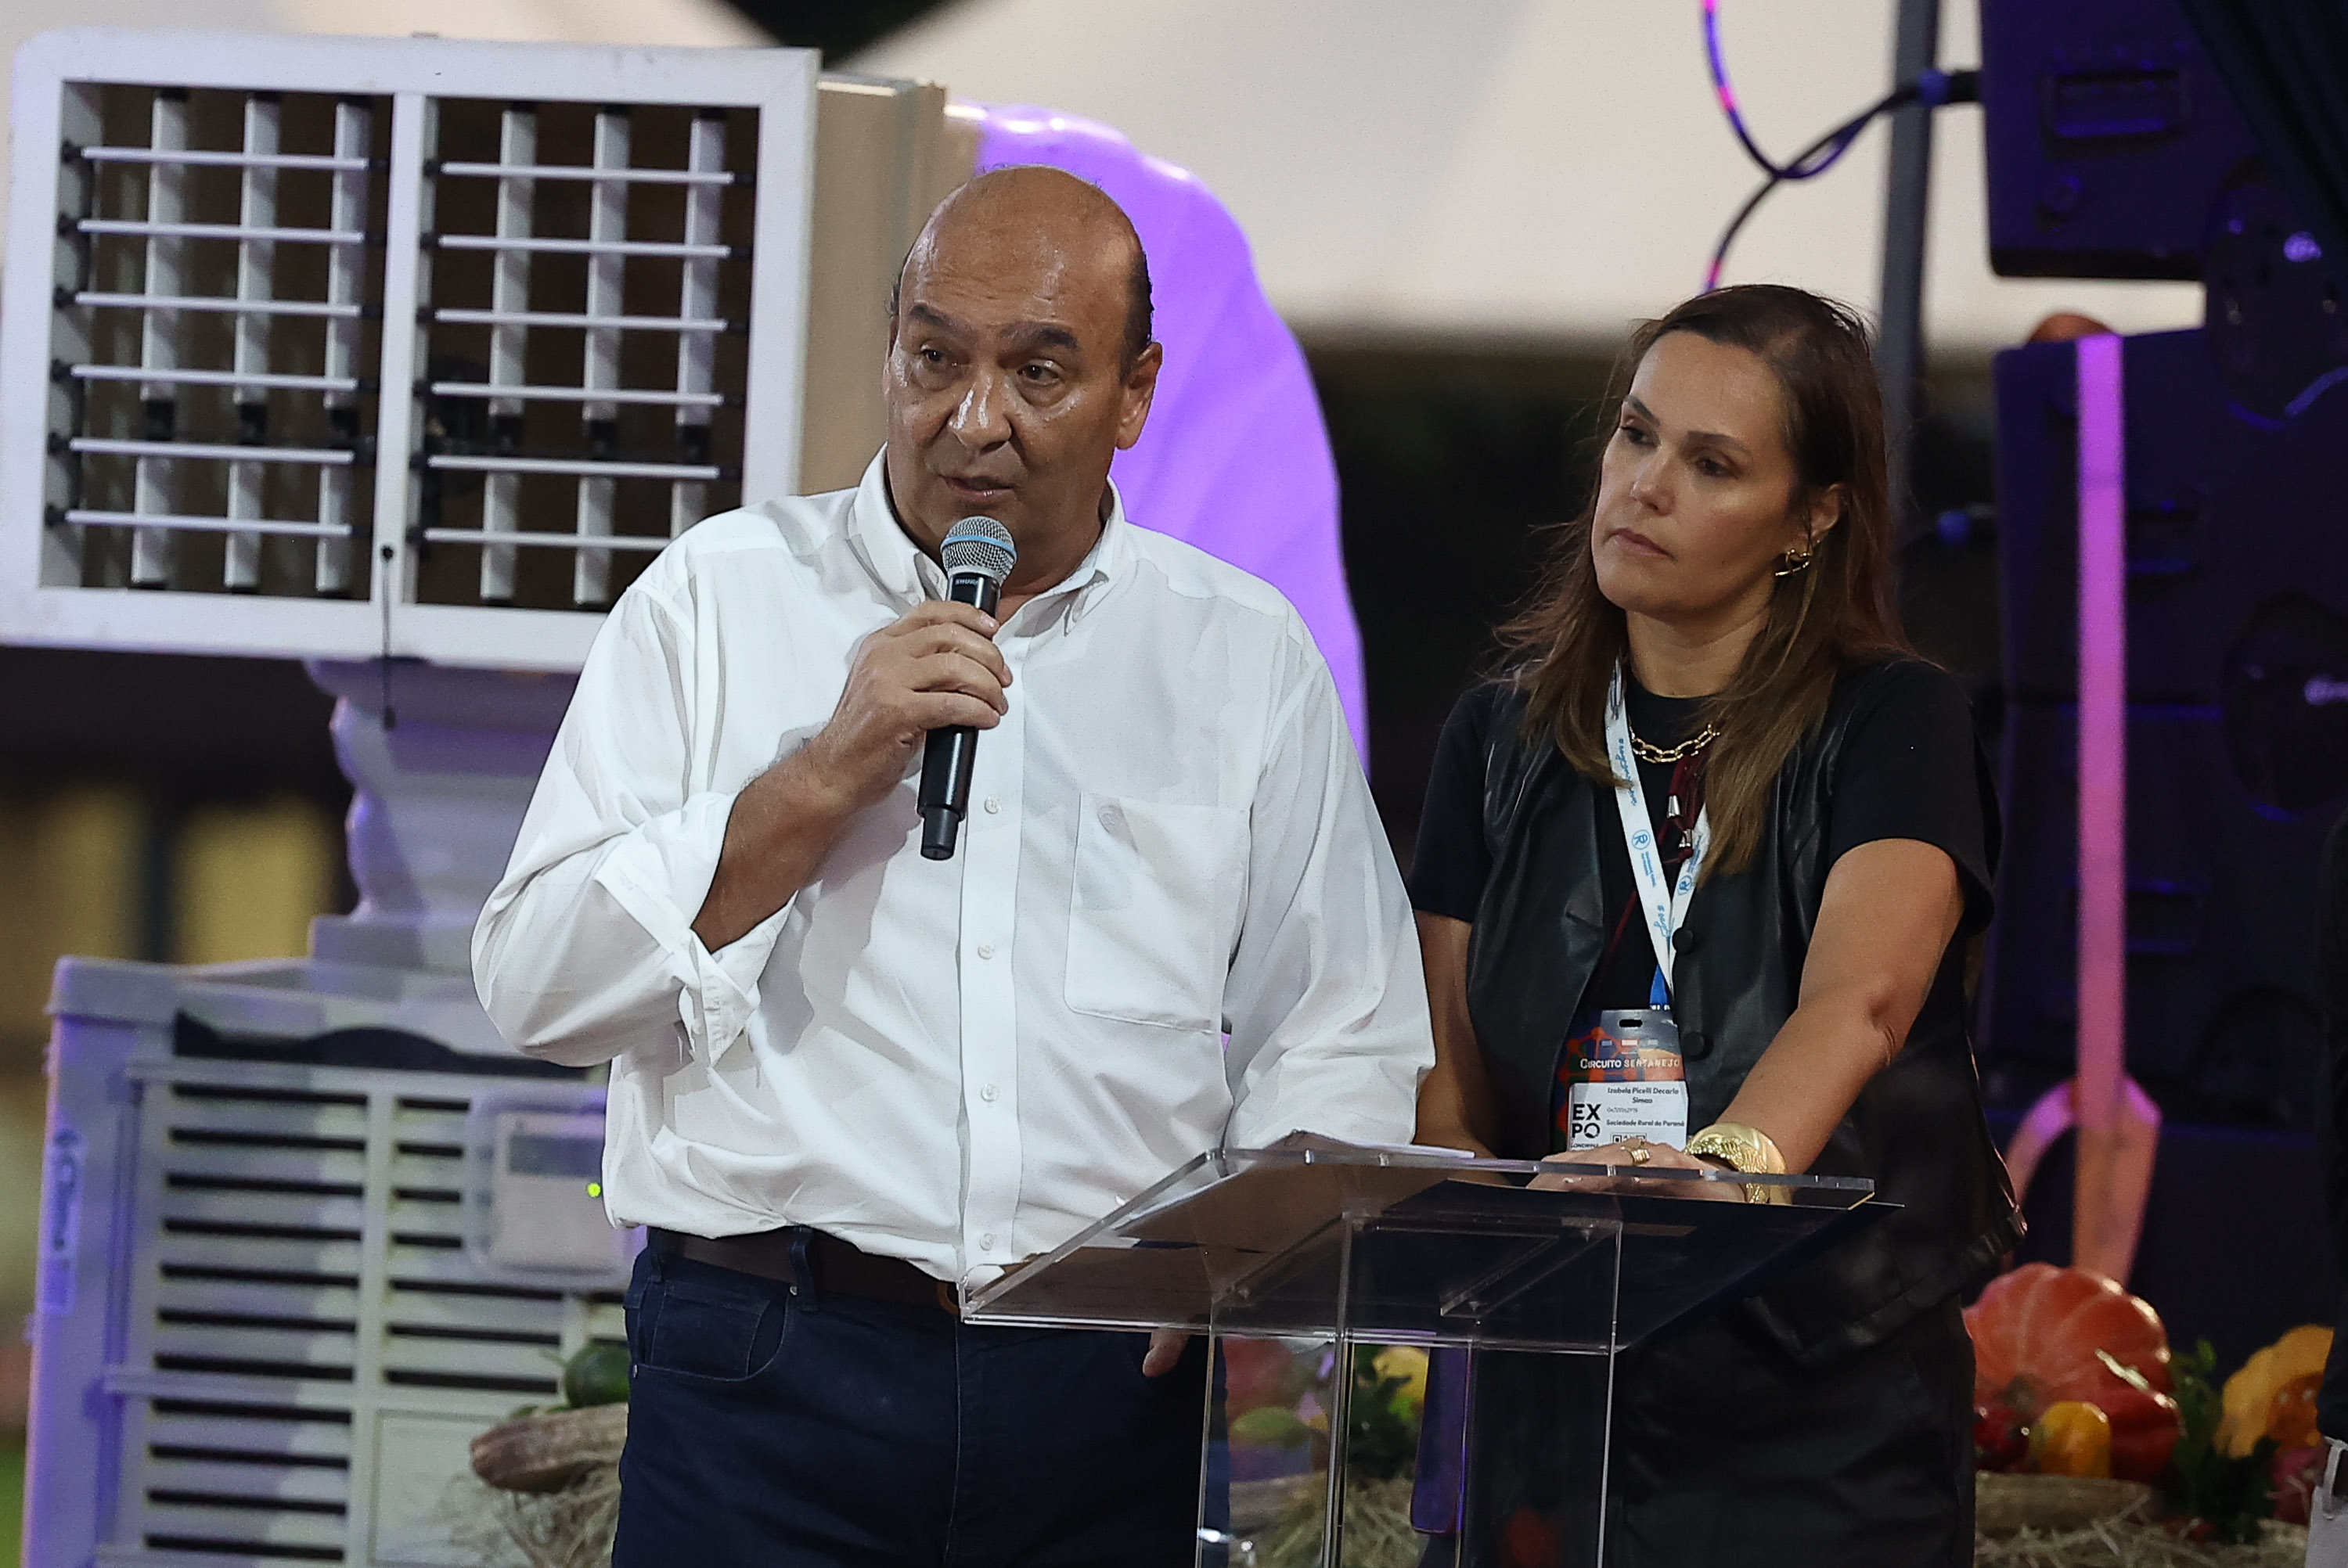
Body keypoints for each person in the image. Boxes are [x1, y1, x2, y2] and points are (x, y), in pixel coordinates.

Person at [473, 166, 1431, 1568]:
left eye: (1039, 372)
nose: (975, 419)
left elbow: (1342, 1019)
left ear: (1134, 394)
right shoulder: (718, 599)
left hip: (1103, 1386)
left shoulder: (1236, 653)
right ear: (891, 352)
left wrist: (1246, 1256)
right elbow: (535, 987)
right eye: (936, 359)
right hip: (765, 1367)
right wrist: (817, 780)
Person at [1408, 284, 2018, 1564]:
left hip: (1816, 1415)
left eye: (1712, 464)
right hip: (1550, 1401)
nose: (1647, 486)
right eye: (1636, 436)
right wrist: (1485, 1227)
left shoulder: (1892, 722)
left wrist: (1724, 1173)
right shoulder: (1496, 740)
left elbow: (1863, 1000)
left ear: (1812, 518)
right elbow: (1441, 1077)